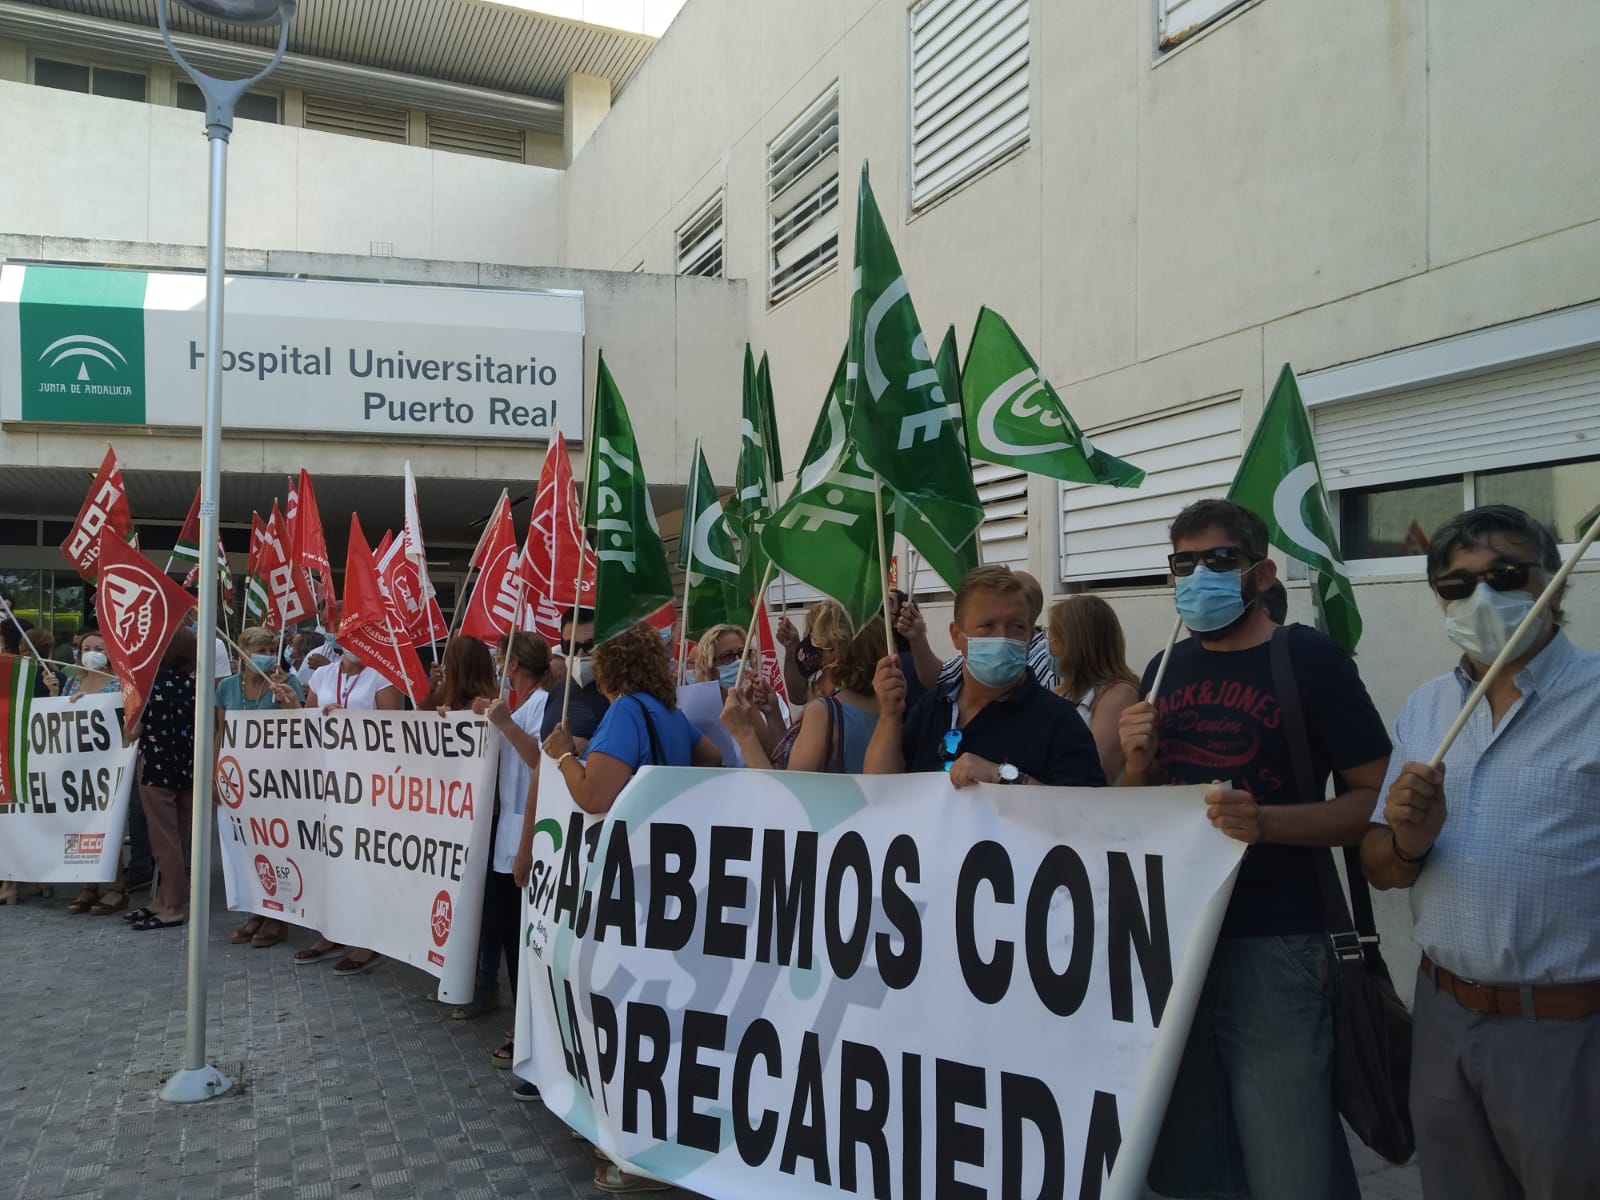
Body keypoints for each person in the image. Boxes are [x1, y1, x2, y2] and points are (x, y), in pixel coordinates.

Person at [1117, 498, 1392, 1200]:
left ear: (1261, 570)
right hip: (1175, 948)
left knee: (1289, 1163)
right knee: (1193, 1164)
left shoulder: (1310, 661)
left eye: (1220, 560)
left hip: (1280, 946)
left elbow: (1373, 801)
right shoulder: (1161, 668)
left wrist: (1267, 824)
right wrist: (1137, 765)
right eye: (1185, 563)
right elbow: (1138, 815)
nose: (1200, 575)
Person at [1359, 505, 1600, 1200]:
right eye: (1457, 584)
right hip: (1443, 1017)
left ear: (1552, 581)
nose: (1482, 596)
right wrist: (1407, 841)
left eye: (1504, 574)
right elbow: (1381, 866)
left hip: (1567, 1030)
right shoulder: (1428, 709)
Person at [866, 565, 1105, 787]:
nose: (1002, 637)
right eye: (987, 626)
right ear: (957, 635)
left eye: (1017, 627)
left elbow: (1085, 816)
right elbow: (879, 791)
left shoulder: (1061, 722)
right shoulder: (932, 707)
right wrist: (889, 715)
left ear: (1031, 637)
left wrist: (1001, 776)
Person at [296, 643, 402, 975]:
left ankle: (366, 940)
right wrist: (291, 703)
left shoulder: (381, 675)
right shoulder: (323, 673)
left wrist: (351, 720)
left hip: (367, 783)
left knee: (362, 858)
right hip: (328, 781)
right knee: (328, 856)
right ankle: (330, 932)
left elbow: (394, 729)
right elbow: (308, 721)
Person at [543, 620, 722, 814]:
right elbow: (712, 757)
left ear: (606, 667)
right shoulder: (669, 711)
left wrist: (564, 755)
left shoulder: (626, 710)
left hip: (630, 836)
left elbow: (592, 799)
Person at [480, 633, 552, 1099]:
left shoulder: (542, 703)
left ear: (518, 665)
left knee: (523, 940)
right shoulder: (510, 702)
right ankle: (520, 1023)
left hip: (524, 835)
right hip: (504, 836)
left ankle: (529, 1031)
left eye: (504, 661)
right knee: (510, 939)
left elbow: (539, 759)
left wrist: (505, 724)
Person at [218, 626, 305, 948]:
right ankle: (256, 908)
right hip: (239, 782)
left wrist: (287, 698)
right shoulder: (227, 687)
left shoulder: (286, 683)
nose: (268, 657)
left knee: (277, 846)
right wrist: (216, 775)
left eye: (272, 651)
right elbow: (219, 732)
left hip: (277, 781)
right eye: (262, 650)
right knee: (246, 847)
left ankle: (278, 916)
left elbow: (301, 726)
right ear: (242, 651)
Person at [724, 600, 881, 773]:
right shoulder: (883, 702)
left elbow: (791, 792)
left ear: (832, 650)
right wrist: (773, 713)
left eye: (811, 636)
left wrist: (744, 734)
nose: (806, 645)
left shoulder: (823, 712)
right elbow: (791, 759)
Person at [125, 629, 197, 931]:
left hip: (156, 769)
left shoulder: (148, 686)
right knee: (180, 838)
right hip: (189, 767)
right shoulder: (196, 686)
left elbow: (132, 732)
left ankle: (172, 906)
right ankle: (162, 897)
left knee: (163, 840)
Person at [1045, 595, 1140, 782]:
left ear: (1076, 643)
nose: (1049, 643)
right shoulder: (1059, 692)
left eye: (1054, 636)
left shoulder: (1118, 693)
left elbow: (1094, 769)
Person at [540, 608, 609, 748]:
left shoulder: (616, 694)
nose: (580, 654)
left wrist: (585, 748)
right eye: (570, 646)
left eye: (589, 646)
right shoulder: (557, 690)